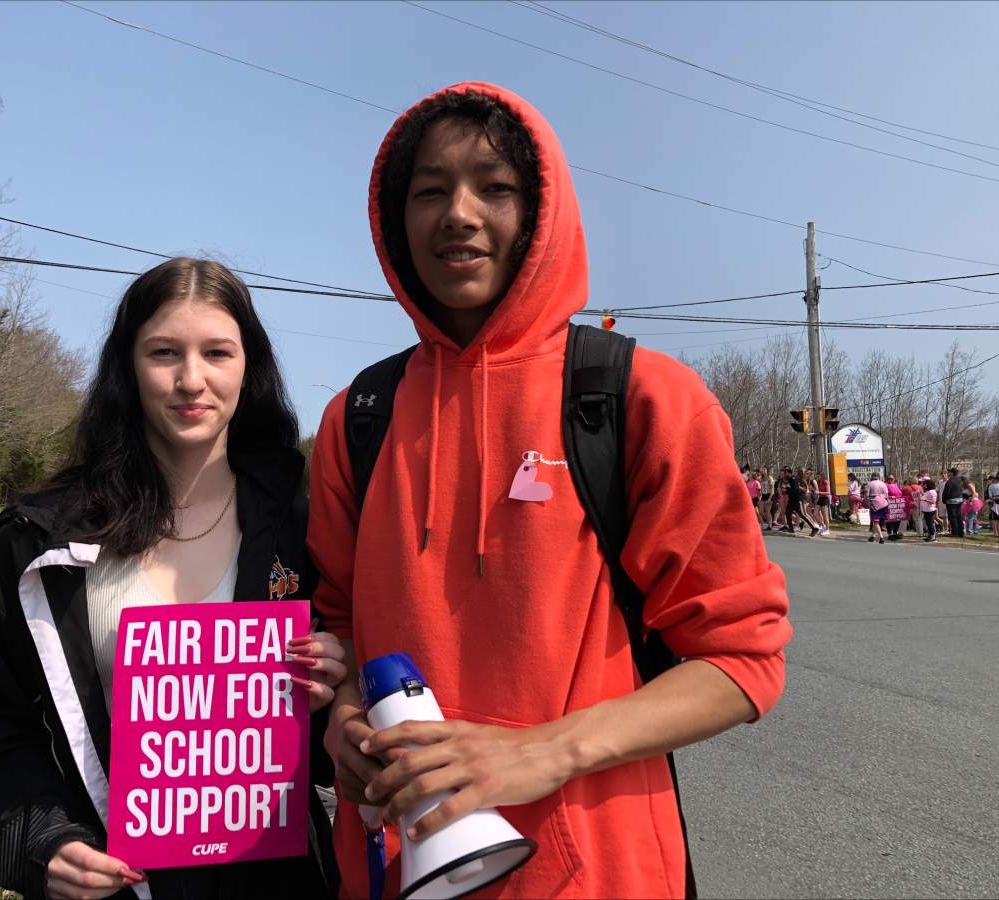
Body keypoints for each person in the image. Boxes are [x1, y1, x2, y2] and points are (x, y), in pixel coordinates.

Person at [306, 83, 792, 900]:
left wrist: (542, 750)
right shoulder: (358, 416)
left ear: (541, 214)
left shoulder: (643, 399)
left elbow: (741, 659)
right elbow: (339, 623)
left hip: (596, 872)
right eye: (430, 191)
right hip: (399, 866)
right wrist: (341, 722)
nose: (459, 214)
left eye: (495, 188)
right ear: (396, 220)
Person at [0, 259, 344, 900]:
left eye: (217, 352)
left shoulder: (304, 516)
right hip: (117, 884)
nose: (192, 379)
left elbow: (338, 753)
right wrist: (44, 839)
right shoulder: (43, 536)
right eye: (164, 353)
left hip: (273, 877)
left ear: (250, 366)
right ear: (127, 366)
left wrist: (331, 687)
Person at [782, 466, 819, 536]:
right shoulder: (789, 479)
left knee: (802, 515)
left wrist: (787, 490)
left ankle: (814, 528)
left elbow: (795, 490)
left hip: (797, 500)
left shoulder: (793, 479)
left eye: (785, 473)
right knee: (787, 512)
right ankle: (791, 528)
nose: (784, 474)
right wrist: (786, 490)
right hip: (792, 500)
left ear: (789, 473)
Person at [864, 472, 889, 545]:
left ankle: (881, 537)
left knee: (875, 522)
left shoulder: (869, 484)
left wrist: (867, 502)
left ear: (872, 477)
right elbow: (887, 495)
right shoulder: (883, 484)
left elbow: (866, 495)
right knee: (878, 521)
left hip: (875, 503)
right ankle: (872, 536)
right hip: (884, 503)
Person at [942, 468, 965, 538]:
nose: (948, 474)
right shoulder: (959, 480)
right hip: (959, 500)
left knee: (953, 517)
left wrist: (944, 500)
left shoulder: (950, 481)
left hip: (951, 501)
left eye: (949, 472)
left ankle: (955, 532)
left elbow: (946, 492)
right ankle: (960, 532)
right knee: (958, 516)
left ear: (952, 473)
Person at [920, 478, 939, 542]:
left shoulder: (932, 491)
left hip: (930, 510)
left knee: (930, 523)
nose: (924, 485)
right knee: (928, 524)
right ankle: (929, 535)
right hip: (926, 510)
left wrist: (925, 500)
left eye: (925, 484)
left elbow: (933, 501)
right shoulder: (927, 491)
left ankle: (933, 536)